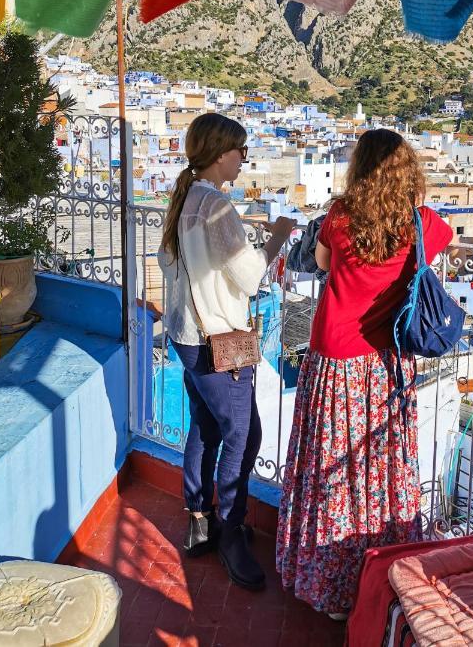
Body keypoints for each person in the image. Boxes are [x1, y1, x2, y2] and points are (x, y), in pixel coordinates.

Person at [276, 129, 453, 617]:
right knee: (376, 466)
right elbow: (441, 242)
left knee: (329, 468)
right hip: (386, 362)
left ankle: (327, 583)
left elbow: (321, 263)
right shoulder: (423, 226)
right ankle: (376, 574)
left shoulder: (340, 218)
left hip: (334, 359)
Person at [159, 113, 294, 591]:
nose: (244, 160)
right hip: (220, 344)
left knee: (206, 426)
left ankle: (199, 519)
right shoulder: (216, 207)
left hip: (186, 338)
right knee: (244, 437)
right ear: (221, 154)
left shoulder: (184, 199)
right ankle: (232, 530)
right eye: (241, 151)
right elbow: (251, 276)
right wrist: (278, 236)